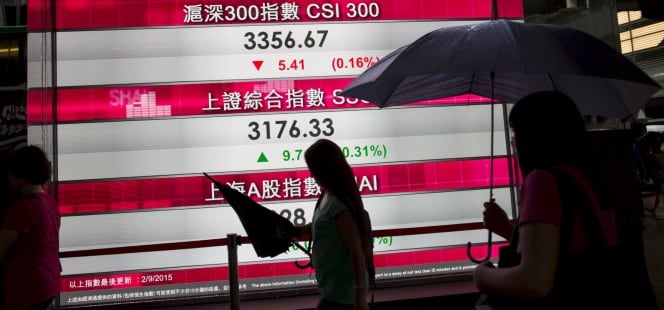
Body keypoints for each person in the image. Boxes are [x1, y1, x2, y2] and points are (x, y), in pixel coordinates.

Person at [473, 91, 642, 308]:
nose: (514, 141)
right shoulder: (587, 177)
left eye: (517, 131)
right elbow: (570, 249)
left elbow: (534, 282)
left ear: (534, 136)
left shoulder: (542, 181)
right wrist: (508, 230)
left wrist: (483, 275)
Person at [297, 139, 369, 310]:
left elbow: (355, 251)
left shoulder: (339, 205)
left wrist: (359, 298)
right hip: (333, 291)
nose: (311, 175)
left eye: (313, 170)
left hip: (344, 295)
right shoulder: (326, 196)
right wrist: (302, 229)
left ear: (325, 169)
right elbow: (325, 224)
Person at [0, 145, 61, 310]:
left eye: (11, 172)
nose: (8, 177)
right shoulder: (49, 202)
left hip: (28, 288)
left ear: (22, 175)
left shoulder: (22, 208)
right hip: (49, 282)